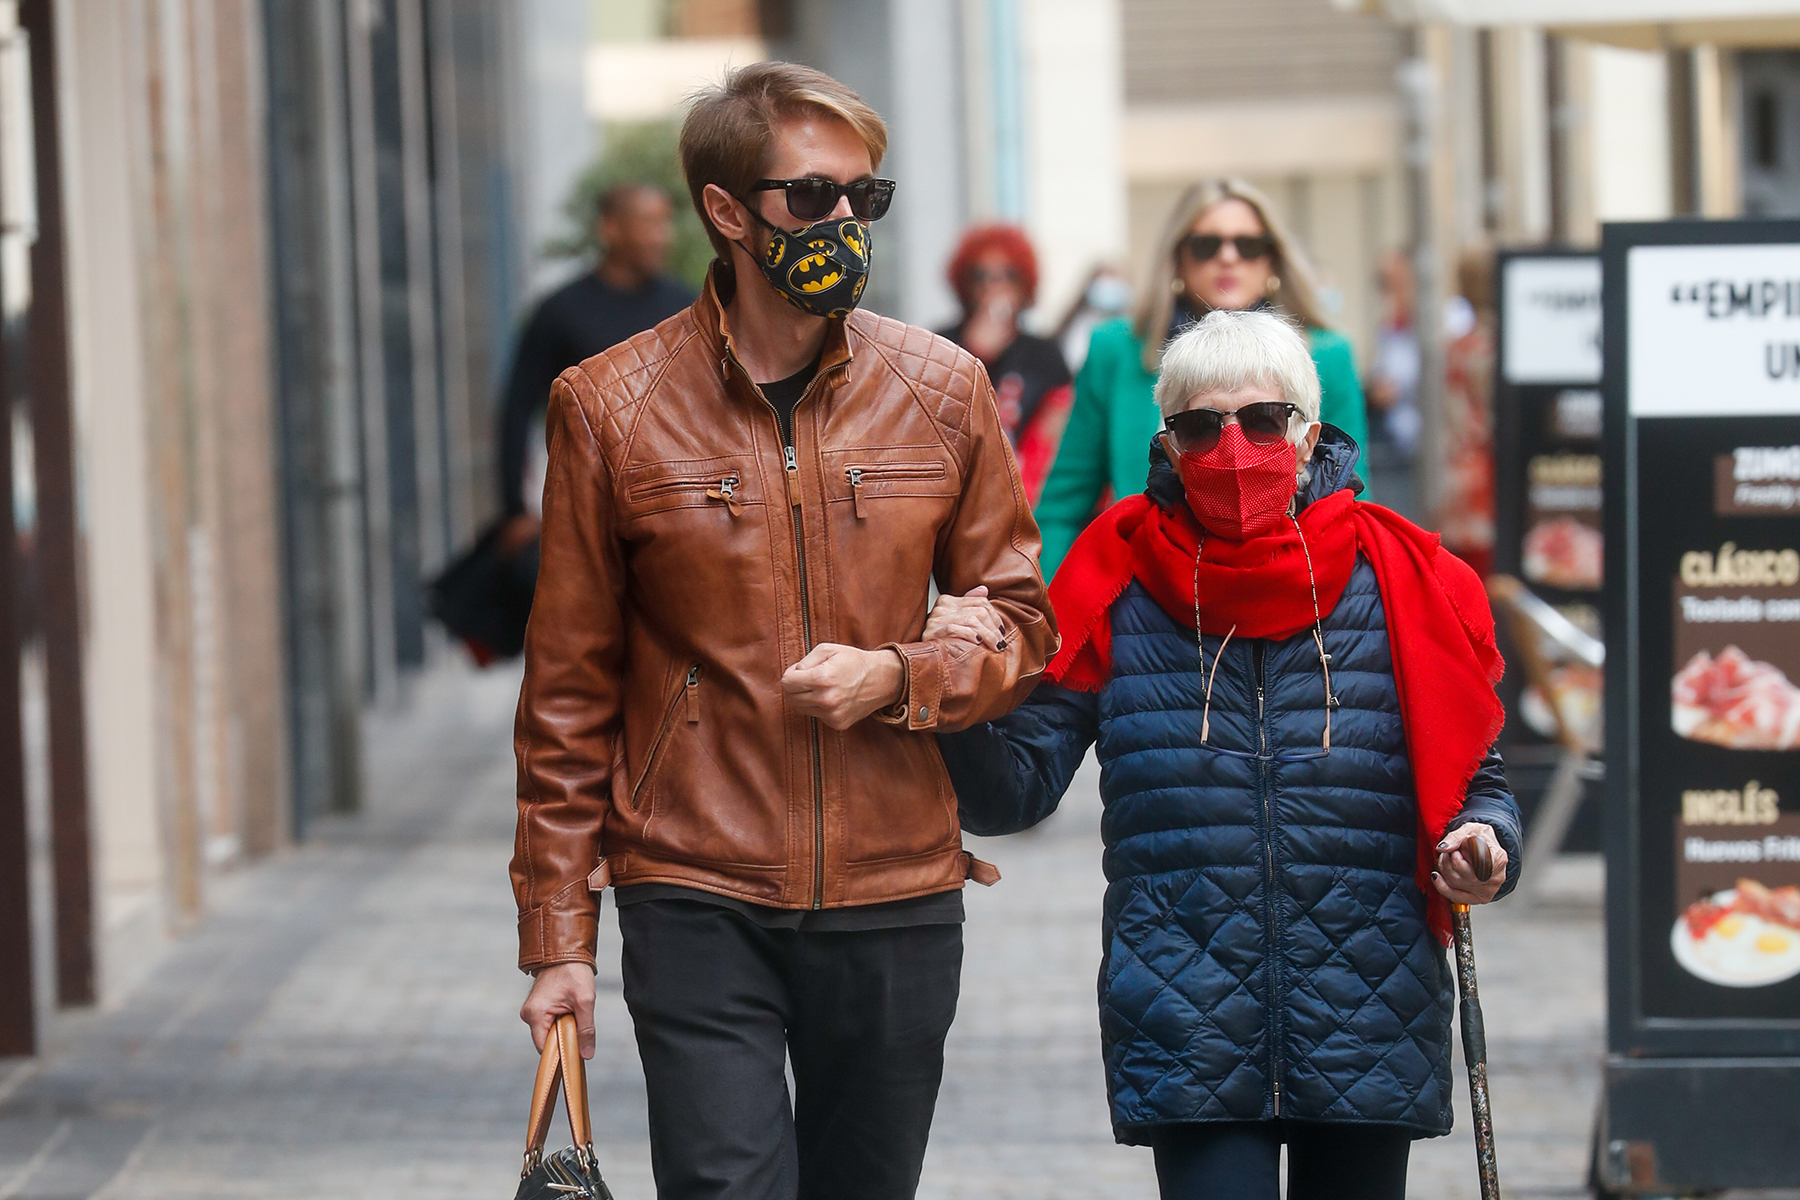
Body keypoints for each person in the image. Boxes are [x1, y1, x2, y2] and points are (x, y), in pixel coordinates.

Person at [510, 61, 1056, 1200]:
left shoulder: (944, 389)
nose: (844, 222)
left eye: (865, 197)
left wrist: (903, 675)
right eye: (813, 197)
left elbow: (1019, 624)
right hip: (695, 883)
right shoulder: (609, 406)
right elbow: (567, 690)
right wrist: (560, 935)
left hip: (897, 890)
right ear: (726, 211)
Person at [927, 310, 1522, 1200]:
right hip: (1185, 1013)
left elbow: (1479, 779)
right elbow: (1017, 791)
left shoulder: (1405, 580)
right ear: (1169, 444)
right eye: (1201, 427)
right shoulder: (1112, 579)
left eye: (1263, 421)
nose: (1233, 449)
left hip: (1368, 1004)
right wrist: (949, 692)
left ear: (1310, 432)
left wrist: (1483, 841)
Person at [1034, 179, 1370, 577]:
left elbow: (1349, 495)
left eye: (1248, 246)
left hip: (1289, 583)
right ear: (1178, 258)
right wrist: (1053, 618)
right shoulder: (1117, 350)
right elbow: (1063, 505)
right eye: (1206, 246)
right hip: (1146, 590)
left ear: (1271, 262)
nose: (1228, 258)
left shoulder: (1326, 356)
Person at [497, 182, 695, 522]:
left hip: (676, 504)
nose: (663, 237)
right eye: (649, 224)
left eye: (665, 223)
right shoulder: (559, 311)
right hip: (586, 508)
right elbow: (516, 408)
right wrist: (514, 510)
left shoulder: (687, 309)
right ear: (610, 229)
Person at [937, 225, 1072, 503]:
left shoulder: (1043, 353)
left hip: (1024, 500)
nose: (994, 286)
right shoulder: (939, 345)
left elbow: (1057, 434)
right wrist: (976, 352)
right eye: (980, 276)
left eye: (1008, 275)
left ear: (1025, 285)